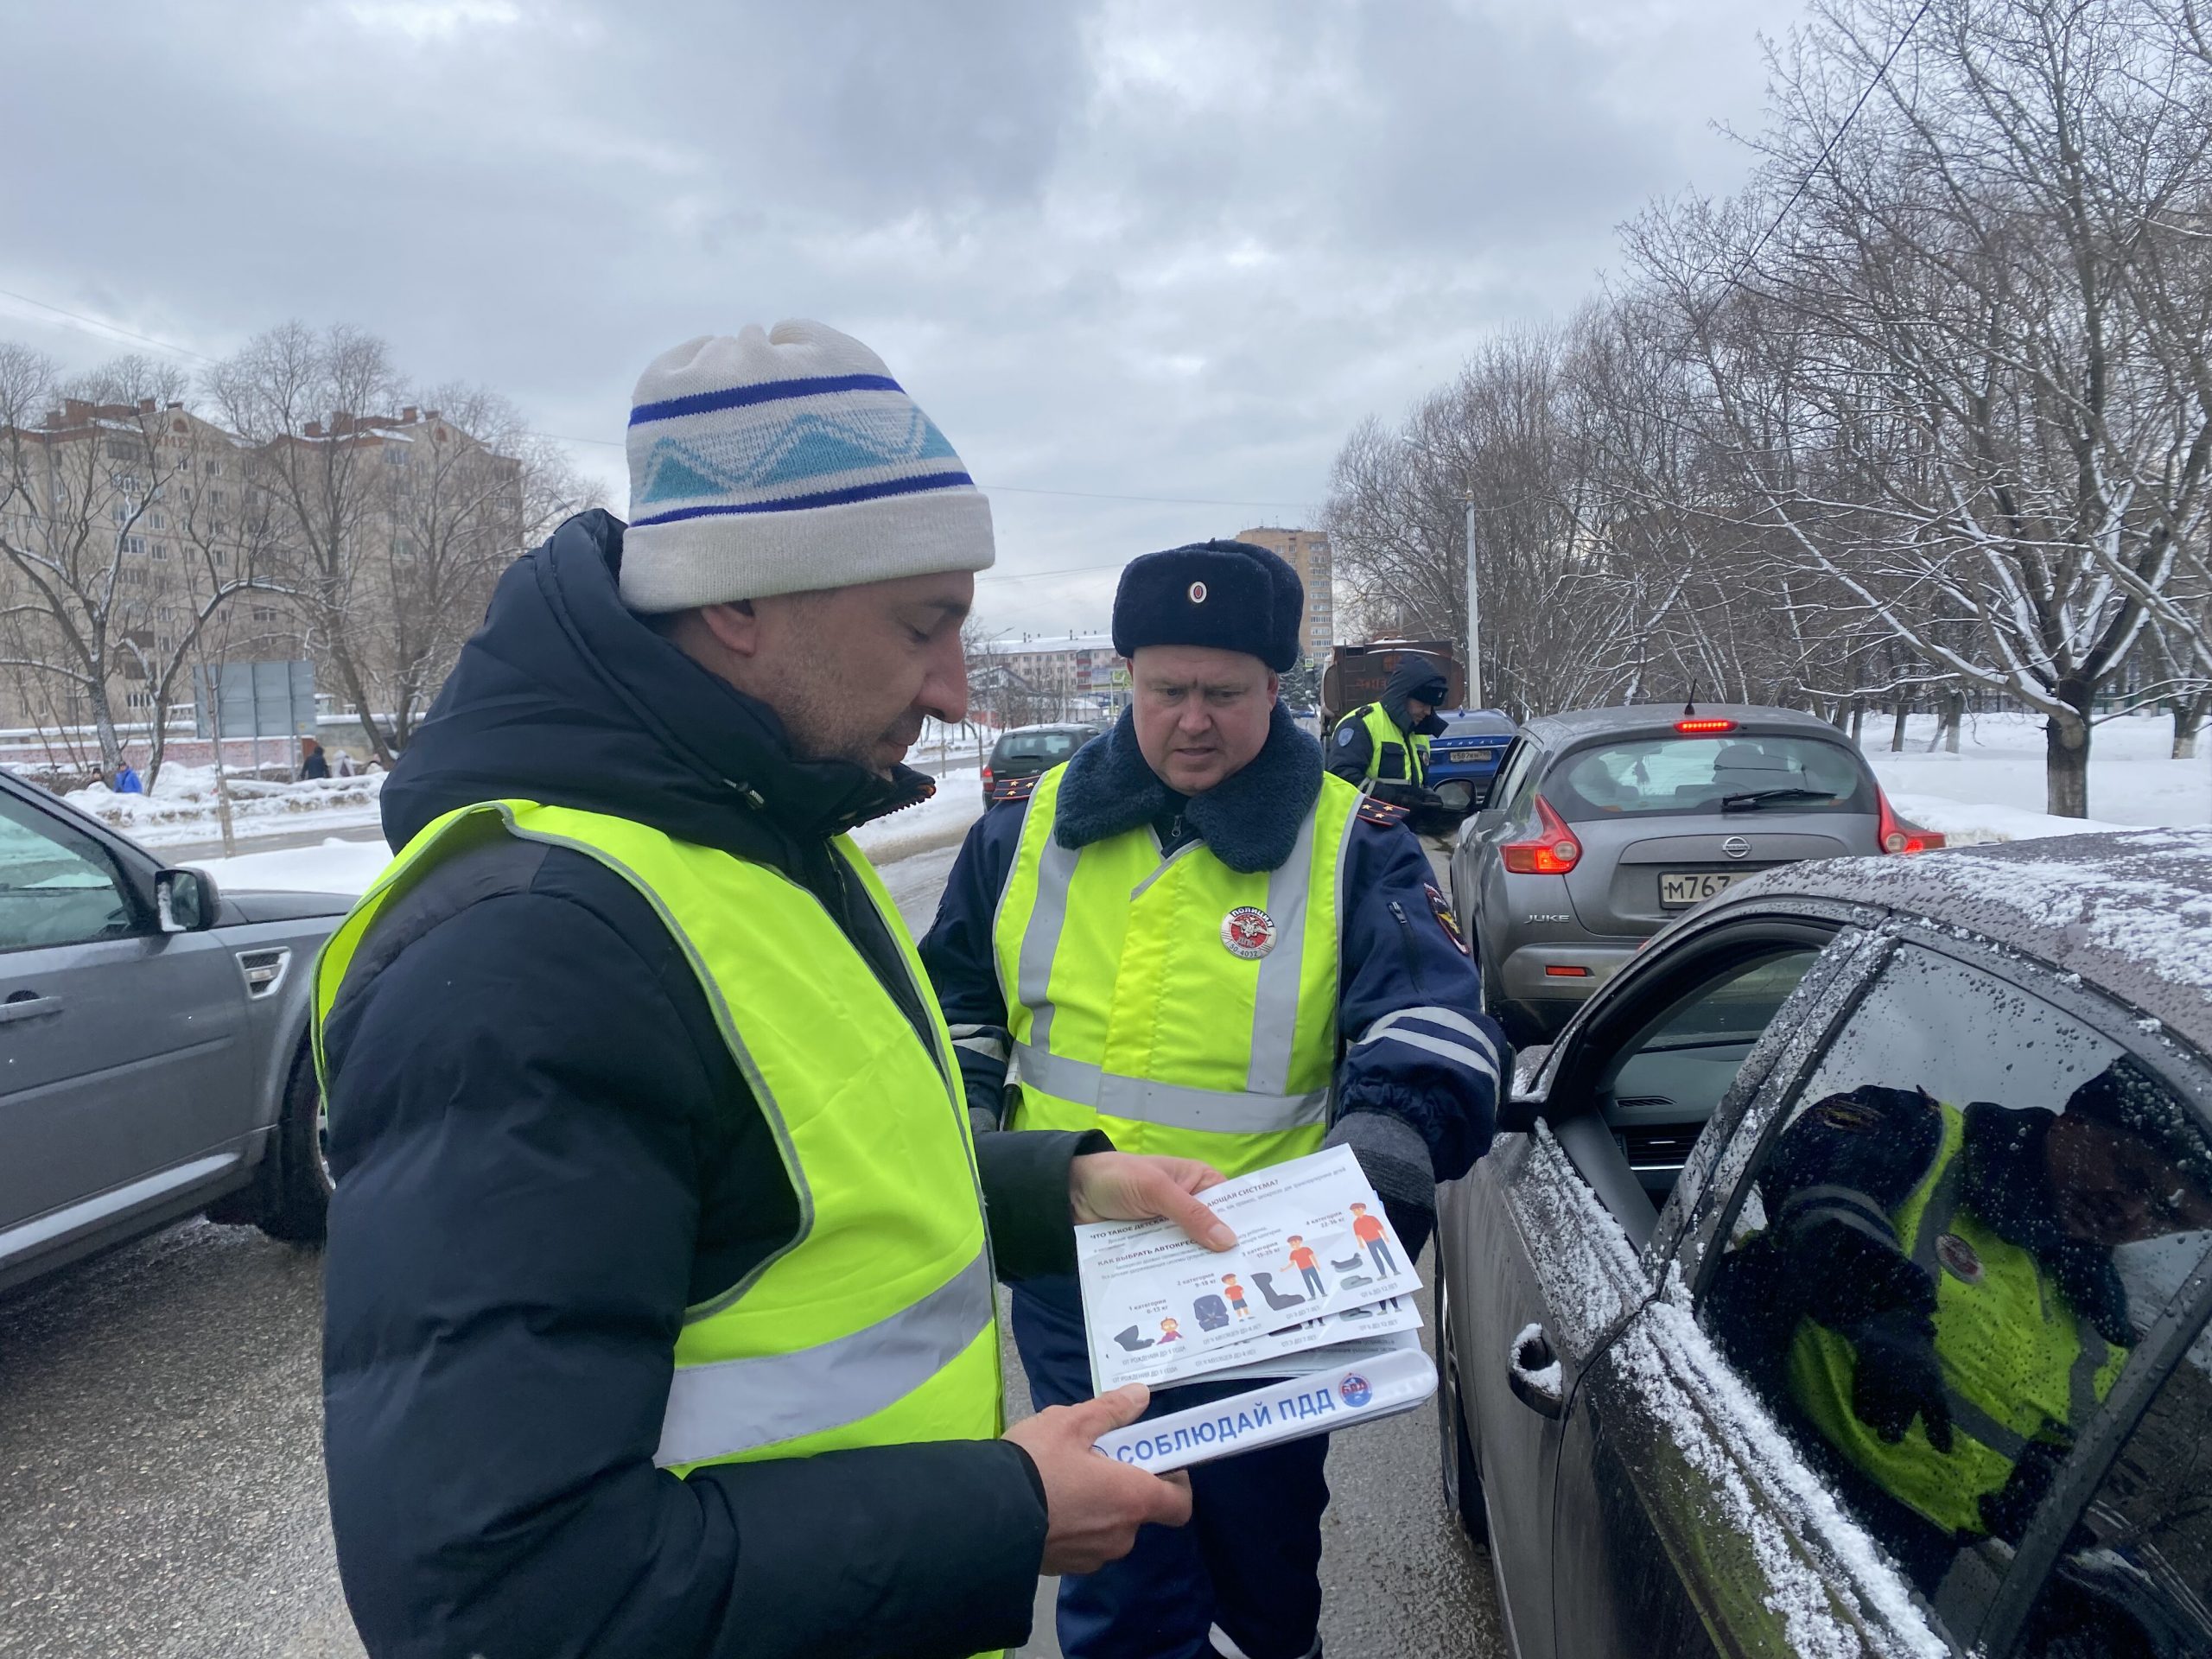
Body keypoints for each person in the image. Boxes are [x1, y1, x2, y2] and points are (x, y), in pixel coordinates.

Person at [316, 321, 1242, 1659]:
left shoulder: (773, 836)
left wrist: (1063, 1192)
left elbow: (793, 1184)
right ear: (738, 603)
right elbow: (501, 1605)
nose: (955, 687)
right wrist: (1003, 1512)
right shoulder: (528, 961)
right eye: (923, 626)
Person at [920, 539, 1501, 1659]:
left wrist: (1384, 1157)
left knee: (1259, 1581)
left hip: (1256, 1292)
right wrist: (978, 1129)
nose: (1193, 718)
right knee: (1119, 1576)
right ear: (1127, 679)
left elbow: (1434, 1029)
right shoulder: (1022, 830)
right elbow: (951, 1010)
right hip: (1073, 1278)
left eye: (1224, 694)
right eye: (1166, 690)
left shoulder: (1352, 847)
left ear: (1272, 690)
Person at [1709, 1060, 2212, 1591]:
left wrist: (2038, 1511)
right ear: (2074, 1122)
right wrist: (1880, 1305)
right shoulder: (1924, 1135)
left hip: (1899, 1577)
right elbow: (1811, 1167)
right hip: (1743, 1455)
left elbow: (2047, 1450)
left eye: (2167, 1216)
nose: (2131, 1216)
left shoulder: (2105, 1325)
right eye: (2131, 1177)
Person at [1325, 654, 1448, 795]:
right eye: (1423, 703)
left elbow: (1418, 783)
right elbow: (1341, 778)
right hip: (1366, 817)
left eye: (1431, 706)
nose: (1427, 711)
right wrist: (1394, 799)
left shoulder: (1419, 733)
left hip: (1406, 817)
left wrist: (1426, 800)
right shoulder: (1361, 724)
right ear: (1402, 696)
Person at [1350, 1202, 1396, 1278]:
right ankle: (1383, 1274)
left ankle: (1395, 1270)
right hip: (1369, 1242)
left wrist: (1385, 1236)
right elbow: (1358, 1234)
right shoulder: (1355, 1223)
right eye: (1354, 1211)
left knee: (1386, 1254)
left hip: (1378, 1239)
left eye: (1357, 1209)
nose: (1356, 1212)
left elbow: (1380, 1228)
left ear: (1363, 1209)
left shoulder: (1371, 1218)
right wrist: (1360, 1243)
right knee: (1376, 1258)